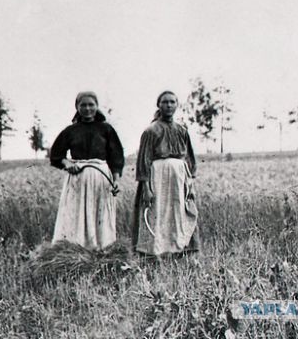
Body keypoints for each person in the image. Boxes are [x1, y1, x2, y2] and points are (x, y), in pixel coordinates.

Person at [49, 91, 125, 249]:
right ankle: (76, 249)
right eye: (83, 105)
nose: (87, 108)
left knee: (100, 214)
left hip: (101, 178)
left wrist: (115, 181)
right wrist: (67, 164)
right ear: (77, 107)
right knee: (77, 214)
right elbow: (56, 155)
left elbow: (116, 157)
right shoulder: (71, 131)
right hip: (78, 179)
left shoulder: (106, 129)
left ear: (97, 106)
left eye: (91, 104)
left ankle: (102, 248)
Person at [132, 90, 200, 256]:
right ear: (159, 105)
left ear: (177, 105)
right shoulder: (151, 131)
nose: (169, 105)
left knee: (180, 211)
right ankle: (155, 252)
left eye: (172, 102)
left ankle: (180, 250)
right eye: (165, 102)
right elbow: (144, 161)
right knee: (157, 212)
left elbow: (189, 160)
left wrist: (190, 183)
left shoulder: (182, 130)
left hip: (179, 178)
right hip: (158, 177)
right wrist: (147, 188)